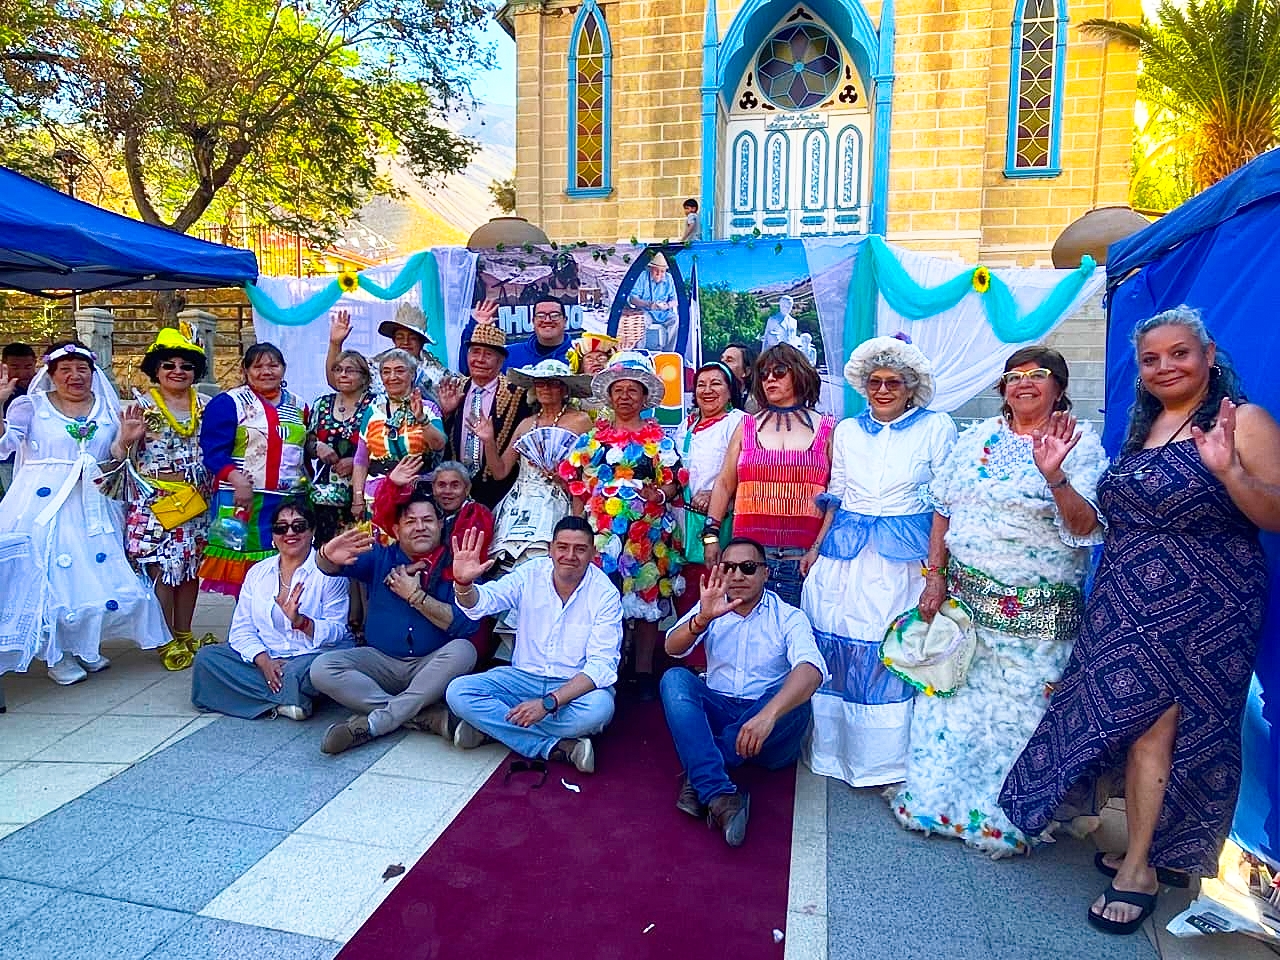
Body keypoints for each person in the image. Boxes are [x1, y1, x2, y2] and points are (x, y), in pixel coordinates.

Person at [1000, 307, 1280, 935]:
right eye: (1151, 359)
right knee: (1128, 725)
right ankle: (1150, 847)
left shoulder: (1243, 422)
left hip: (1206, 606)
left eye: (1179, 354)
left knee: (1161, 729)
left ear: (1209, 356)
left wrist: (1230, 471)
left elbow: (1275, 514)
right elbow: (1092, 524)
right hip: (1126, 599)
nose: (1164, 368)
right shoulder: (1144, 429)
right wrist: (1056, 480)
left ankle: (1141, 870)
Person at [889, 346, 1107, 857]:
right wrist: (935, 576)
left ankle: (1005, 819)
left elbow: (1087, 527)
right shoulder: (976, 438)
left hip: (1035, 622)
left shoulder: (1081, 445)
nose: (1024, 383)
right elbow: (942, 508)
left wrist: (1054, 475)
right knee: (951, 708)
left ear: (1059, 386)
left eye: (1038, 375)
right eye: (1014, 376)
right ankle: (934, 803)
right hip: (967, 610)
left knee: (1017, 718)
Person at [801, 337, 957, 787]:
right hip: (845, 554)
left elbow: (944, 503)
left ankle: (884, 762)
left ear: (911, 387)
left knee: (887, 649)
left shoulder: (937, 427)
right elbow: (839, 490)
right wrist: (816, 545)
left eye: (893, 382)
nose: (883, 390)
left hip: (902, 561)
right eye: (874, 382)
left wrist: (936, 572)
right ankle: (834, 751)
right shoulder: (847, 430)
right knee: (837, 644)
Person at [0, 341, 169, 683]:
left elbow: (113, 460)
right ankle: (56, 653)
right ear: (51, 374)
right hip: (43, 505)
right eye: (65, 370)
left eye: (82, 370)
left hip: (92, 501)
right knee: (51, 578)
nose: (75, 377)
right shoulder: (29, 406)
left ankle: (83, 645)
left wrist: (124, 440)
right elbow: (4, 445)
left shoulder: (107, 408)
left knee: (93, 577)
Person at [662, 538, 827, 846]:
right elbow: (672, 648)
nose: (738, 576)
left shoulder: (789, 616)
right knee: (674, 680)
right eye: (729, 568)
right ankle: (719, 794)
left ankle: (700, 773)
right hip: (722, 714)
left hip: (768, 733)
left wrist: (767, 716)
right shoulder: (711, 606)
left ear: (765, 573)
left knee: (794, 698)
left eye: (748, 568)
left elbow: (811, 670)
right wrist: (702, 619)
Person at [445, 518, 623, 773]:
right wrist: (463, 584)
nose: (570, 556)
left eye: (580, 549)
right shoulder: (531, 573)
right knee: (458, 691)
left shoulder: (604, 593)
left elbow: (601, 667)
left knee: (599, 709)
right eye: (562, 547)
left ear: (593, 553)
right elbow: (485, 602)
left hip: (572, 688)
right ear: (550, 549)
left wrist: (548, 704)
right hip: (522, 678)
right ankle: (556, 747)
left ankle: (492, 729)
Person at [311, 489, 481, 753]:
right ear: (396, 529)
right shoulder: (381, 556)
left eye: (427, 520)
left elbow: (466, 625)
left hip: (431, 666)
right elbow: (331, 566)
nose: (420, 527)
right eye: (411, 521)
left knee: (464, 651)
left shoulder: (458, 562)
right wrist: (324, 555)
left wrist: (415, 596)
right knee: (322, 668)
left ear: (440, 525)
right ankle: (428, 718)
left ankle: (372, 723)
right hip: (381, 662)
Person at [560, 351, 684, 699]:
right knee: (604, 600)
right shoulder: (590, 443)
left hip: (650, 535)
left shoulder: (661, 442)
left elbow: (673, 484)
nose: (625, 396)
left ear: (645, 397)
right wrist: (576, 527)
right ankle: (607, 668)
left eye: (633, 390)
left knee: (647, 601)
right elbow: (579, 489)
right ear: (609, 396)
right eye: (619, 389)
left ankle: (643, 672)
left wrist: (657, 494)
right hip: (600, 536)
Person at [191, 501, 351, 719]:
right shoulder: (258, 572)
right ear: (274, 536)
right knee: (207, 659)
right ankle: (286, 702)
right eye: (281, 528)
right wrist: (263, 660)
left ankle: (272, 697)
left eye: (299, 526)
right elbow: (242, 628)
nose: (290, 533)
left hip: (309, 655)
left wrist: (301, 622)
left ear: (312, 531)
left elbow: (337, 631)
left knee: (310, 671)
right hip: (269, 655)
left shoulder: (329, 573)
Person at [705, 343, 834, 606]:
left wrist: (817, 549)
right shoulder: (746, 426)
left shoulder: (828, 428)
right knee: (745, 638)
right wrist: (711, 536)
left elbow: (836, 495)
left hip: (805, 560)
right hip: (747, 561)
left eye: (779, 371)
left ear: (799, 373)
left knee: (800, 638)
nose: (770, 379)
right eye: (763, 374)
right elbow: (724, 484)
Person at [125, 326, 215, 671]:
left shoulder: (206, 405)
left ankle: (184, 632)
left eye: (185, 366)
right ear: (156, 371)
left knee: (191, 570)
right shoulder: (141, 407)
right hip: (157, 502)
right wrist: (127, 439)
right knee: (164, 570)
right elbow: (120, 452)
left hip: (197, 501)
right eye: (169, 365)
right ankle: (164, 639)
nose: (178, 371)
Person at [199, 343, 310, 597]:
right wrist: (237, 479)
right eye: (258, 366)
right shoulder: (229, 403)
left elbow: (303, 446)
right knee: (244, 568)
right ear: (245, 370)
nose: (266, 371)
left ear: (283, 369)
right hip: (242, 499)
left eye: (273, 365)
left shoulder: (298, 406)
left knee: (287, 562)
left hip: (287, 501)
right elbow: (213, 450)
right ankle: (248, 625)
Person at [672, 362, 747, 666]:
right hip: (683, 521)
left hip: (721, 520)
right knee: (686, 589)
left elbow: (745, 469)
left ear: (730, 391)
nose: (707, 390)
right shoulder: (686, 424)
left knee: (718, 585)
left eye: (716, 383)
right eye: (701, 384)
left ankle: (717, 664)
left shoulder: (739, 422)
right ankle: (690, 659)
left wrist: (718, 494)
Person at [434, 318, 531, 509]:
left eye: (487, 354)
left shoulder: (518, 394)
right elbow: (439, 443)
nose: (479, 359)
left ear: (501, 360)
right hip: (455, 491)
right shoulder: (455, 388)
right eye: (475, 352)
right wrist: (445, 414)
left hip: (498, 491)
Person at [350, 349, 446, 522]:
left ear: (412, 374)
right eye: (386, 372)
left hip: (417, 494)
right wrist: (357, 498)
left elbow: (438, 444)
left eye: (400, 370)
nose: (392, 377)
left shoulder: (428, 408)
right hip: (377, 495)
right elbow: (361, 459)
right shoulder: (372, 412)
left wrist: (422, 419)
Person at [308, 350, 373, 545]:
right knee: (325, 548)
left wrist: (356, 462)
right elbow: (307, 440)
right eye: (338, 370)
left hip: (362, 493)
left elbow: (383, 446)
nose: (343, 374)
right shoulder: (322, 404)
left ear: (364, 377)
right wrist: (317, 446)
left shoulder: (376, 405)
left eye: (350, 370)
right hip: (325, 495)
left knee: (358, 549)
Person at [326, 304, 440, 399]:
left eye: (412, 338)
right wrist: (335, 343)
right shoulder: (375, 365)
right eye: (400, 337)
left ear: (422, 342)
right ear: (394, 340)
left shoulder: (437, 373)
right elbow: (336, 382)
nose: (406, 342)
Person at [0, 342, 37, 495]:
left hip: (35, 455)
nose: (22, 373)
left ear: (35, 363)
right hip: (9, 455)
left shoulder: (44, 387)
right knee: (14, 496)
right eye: (15, 367)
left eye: (28, 367)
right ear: (4, 366)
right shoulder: (2, 389)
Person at [503, 296, 574, 372]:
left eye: (554, 315)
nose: (547, 320)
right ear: (533, 321)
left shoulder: (580, 356)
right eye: (541, 316)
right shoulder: (508, 354)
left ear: (565, 320)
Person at [627, 253, 679, 353]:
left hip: (663, 313)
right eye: (656, 270)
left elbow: (675, 300)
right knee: (641, 320)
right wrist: (649, 304)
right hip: (645, 312)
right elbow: (633, 299)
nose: (659, 274)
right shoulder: (642, 276)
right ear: (650, 269)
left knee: (675, 320)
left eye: (662, 271)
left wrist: (667, 305)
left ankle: (669, 352)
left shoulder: (669, 278)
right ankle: (640, 352)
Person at [720, 342, 758, 414]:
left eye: (729, 360)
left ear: (746, 371)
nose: (722, 364)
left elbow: (749, 425)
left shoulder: (753, 404)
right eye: (722, 359)